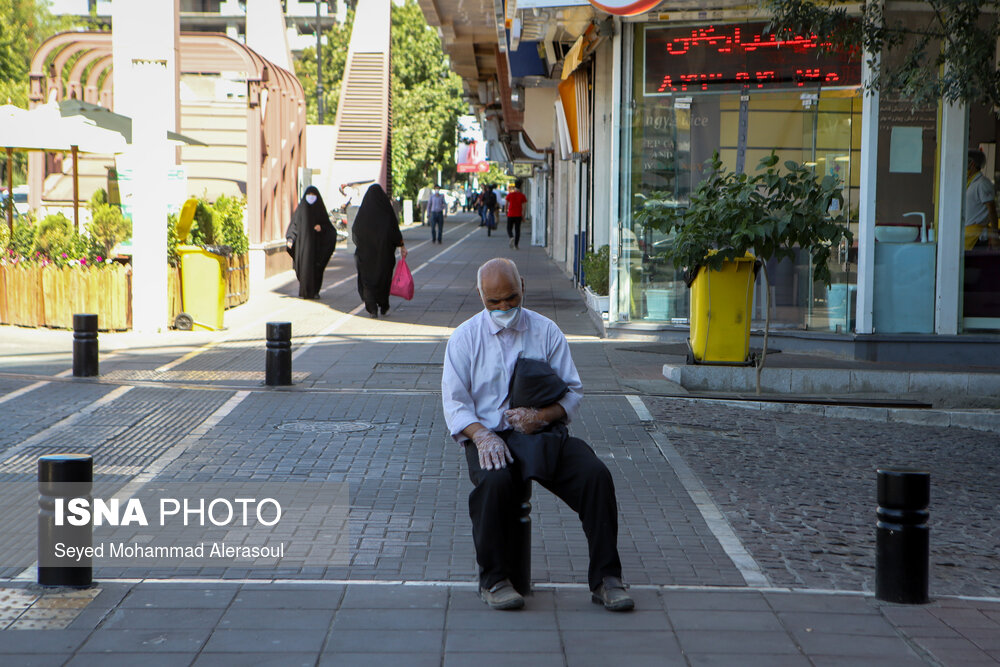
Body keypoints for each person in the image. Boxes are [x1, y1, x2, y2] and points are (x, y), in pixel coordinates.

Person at [441, 258, 633, 613]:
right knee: (495, 483)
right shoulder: (465, 338)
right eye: (494, 302)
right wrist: (482, 436)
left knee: (595, 476)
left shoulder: (547, 332)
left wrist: (540, 416)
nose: (504, 308)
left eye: (511, 298)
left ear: (524, 287)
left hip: (542, 432)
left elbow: (573, 393)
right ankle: (494, 580)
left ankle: (607, 579)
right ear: (481, 296)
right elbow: (455, 405)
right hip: (487, 434)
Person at [352, 183, 407, 318]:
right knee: (383, 280)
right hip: (384, 256)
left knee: (367, 281)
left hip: (366, 257)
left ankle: (372, 308)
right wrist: (401, 245)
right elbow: (394, 231)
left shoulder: (363, 214)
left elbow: (355, 231)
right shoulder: (386, 212)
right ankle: (383, 304)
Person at [285, 185, 337, 299]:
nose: (311, 197)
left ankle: (315, 291)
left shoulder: (320, 210)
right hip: (303, 247)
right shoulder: (301, 209)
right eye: (309, 195)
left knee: (316, 270)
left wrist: (321, 227)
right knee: (303, 269)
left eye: (314, 195)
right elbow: (294, 226)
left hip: (317, 248)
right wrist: (290, 239)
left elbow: (330, 230)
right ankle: (304, 291)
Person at [965, 149, 999, 250]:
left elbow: (992, 210)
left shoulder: (982, 183)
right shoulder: (970, 183)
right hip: (968, 234)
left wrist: (994, 235)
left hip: (977, 237)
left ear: (972, 164)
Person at [505, 181, 528, 250]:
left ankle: (511, 236)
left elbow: (506, 204)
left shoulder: (510, 195)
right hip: (518, 215)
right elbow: (524, 207)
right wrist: (523, 216)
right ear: (520, 187)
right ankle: (516, 245)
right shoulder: (522, 196)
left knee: (509, 228)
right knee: (517, 230)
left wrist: (506, 211)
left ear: (515, 187)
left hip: (511, 214)